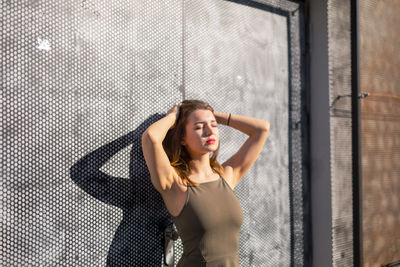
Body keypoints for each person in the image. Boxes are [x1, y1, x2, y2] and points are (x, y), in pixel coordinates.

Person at [141, 99, 270, 266]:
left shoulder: (226, 176)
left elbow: (262, 129)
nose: (210, 132)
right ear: (182, 138)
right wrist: (174, 116)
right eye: (199, 127)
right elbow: (151, 137)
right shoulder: (176, 184)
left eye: (214, 126)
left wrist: (211, 115)